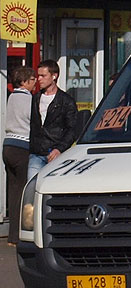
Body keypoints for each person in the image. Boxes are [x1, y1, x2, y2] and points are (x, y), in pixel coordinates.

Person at [28, 60, 79, 177]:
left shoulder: (66, 101)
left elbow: (72, 129)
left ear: (54, 76)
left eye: (43, 76)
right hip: (36, 153)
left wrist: (59, 149)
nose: (39, 79)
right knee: (32, 186)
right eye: (38, 75)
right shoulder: (35, 98)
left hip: (55, 153)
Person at [4, 66, 35, 244]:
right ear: (24, 82)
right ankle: (22, 234)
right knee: (25, 191)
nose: (34, 83)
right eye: (31, 80)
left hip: (8, 145)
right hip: (23, 146)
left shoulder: (11, 97)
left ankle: (12, 236)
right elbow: (33, 120)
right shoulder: (27, 99)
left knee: (14, 192)